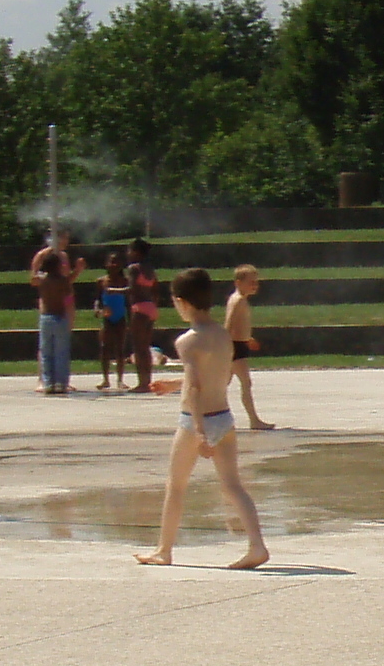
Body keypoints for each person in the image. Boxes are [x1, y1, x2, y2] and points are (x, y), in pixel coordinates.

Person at [134, 268, 270, 569]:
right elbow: (214, 379)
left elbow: (195, 387)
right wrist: (172, 386)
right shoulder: (223, 335)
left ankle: (163, 550)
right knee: (233, 485)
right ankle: (257, 545)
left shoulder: (186, 342)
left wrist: (198, 431)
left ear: (182, 302)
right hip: (224, 416)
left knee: (176, 485)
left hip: (196, 421)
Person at [28, 230, 86, 395]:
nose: (66, 240)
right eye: (64, 237)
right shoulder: (43, 255)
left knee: (61, 345)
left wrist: (76, 271)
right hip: (49, 303)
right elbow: (34, 278)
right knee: (48, 347)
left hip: (63, 300)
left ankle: (60, 381)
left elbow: (66, 280)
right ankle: (44, 379)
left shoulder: (64, 256)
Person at [224, 264, 277, 430]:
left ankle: (208, 414)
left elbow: (240, 326)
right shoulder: (238, 300)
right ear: (238, 282)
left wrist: (248, 338)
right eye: (251, 282)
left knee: (222, 383)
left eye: (256, 282)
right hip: (234, 348)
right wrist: (225, 345)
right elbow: (229, 324)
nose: (255, 285)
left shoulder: (240, 299)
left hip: (239, 345)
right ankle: (254, 420)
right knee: (245, 383)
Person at [121, 241, 160, 390]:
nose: (128, 254)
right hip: (150, 307)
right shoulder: (149, 269)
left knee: (138, 348)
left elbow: (131, 288)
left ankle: (142, 383)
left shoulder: (133, 268)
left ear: (136, 252)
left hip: (139, 307)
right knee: (145, 347)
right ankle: (147, 381)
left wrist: (113, 290)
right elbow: (155, 290)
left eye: (130, 251)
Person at [94, 256, 131, 392]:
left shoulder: (124, 281)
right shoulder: (101, 281)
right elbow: (98, 299)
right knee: (105, 348)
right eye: (111, 261)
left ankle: (120, 379)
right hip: (107, 318)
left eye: (117, 262)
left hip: (120, 318)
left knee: (120, 349)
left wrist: (130, 319)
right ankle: (105, 379)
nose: (114, 264)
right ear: (106, 264)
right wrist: (98, 310)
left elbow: (127, 302)